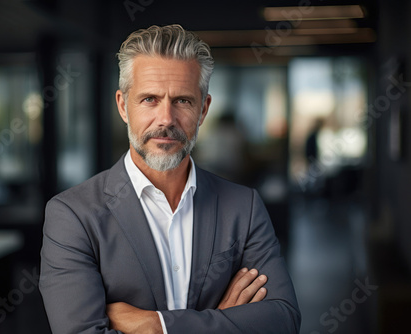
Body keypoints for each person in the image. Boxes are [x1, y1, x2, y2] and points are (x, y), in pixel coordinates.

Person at [39, 24, 301, 334]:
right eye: (149, 99)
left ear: (203, 110)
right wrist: (221, 322)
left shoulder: (244, 207)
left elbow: (282, 320)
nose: (166, 119)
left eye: (183, 101)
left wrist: (156, 324)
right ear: (124, 106)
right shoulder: (73, 216)